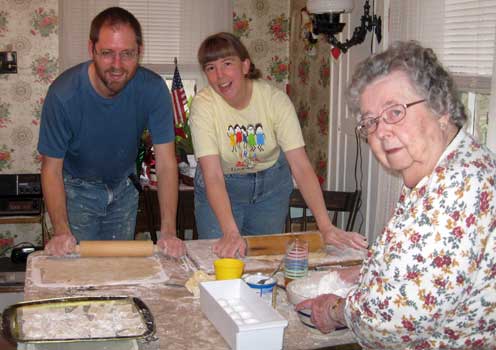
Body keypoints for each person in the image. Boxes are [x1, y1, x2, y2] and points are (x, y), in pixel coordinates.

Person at [296, 41, 496, 349]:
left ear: (440, 107)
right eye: (370, 121)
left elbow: (392, 320)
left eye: (395, 112)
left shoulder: (456, 189)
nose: (381, 132)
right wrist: (370, 272)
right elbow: (423, 267)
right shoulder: (440, 168)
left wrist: (335, 310)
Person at [189, 32, 367, 258]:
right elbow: (212, 174)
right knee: (220, 259)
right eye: (210, 68)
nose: (220, 75)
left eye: (227, 63)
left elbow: (300, 166)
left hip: (270, 189)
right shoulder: (203, 106)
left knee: (263, 259)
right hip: (222, 184)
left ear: (245, 66)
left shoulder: (274, 101)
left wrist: (325, 226)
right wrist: (230, 231)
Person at [37, 7, 185, 258]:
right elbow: (51, 169)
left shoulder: (153, 89)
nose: (117, 65)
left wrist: (168, 231)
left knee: (118, 269)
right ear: (91, 49)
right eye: (107, 53)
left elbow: (166, 163)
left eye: (127, 54)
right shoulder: (63, 95)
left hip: (124, 188)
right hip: (76, 190)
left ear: (139, 51)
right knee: (82, 274)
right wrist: (61, 231)